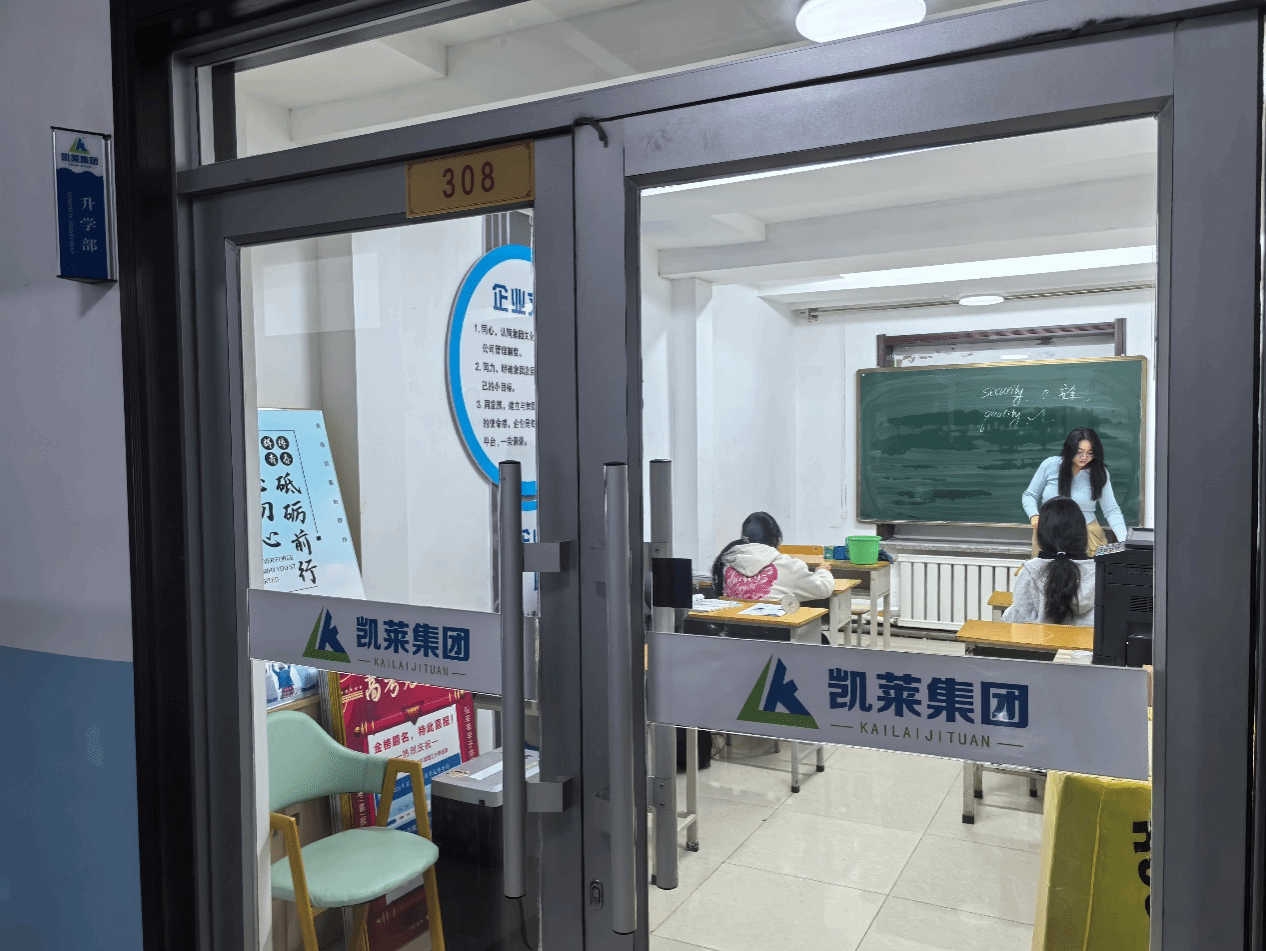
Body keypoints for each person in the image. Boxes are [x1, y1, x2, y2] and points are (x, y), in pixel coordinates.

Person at [1022, 426, 1127, 557]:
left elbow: (1111, 510)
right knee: (1048, 570)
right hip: (1049, 534)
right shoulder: (1050, 465)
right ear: (1069, 449)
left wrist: (1124, 540)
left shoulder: (1099, 473)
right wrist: (1033, 515)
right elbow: (1029, 495)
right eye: (1079, 452)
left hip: (1087, 535)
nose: (1084, 457)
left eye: (1090, 453)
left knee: (1088, 570)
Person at [1003, 497, 1097, 626]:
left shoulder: (1031, 570)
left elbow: (1018, 618)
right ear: (1082, 532)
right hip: (1088, 639)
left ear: (1042, 533)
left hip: (1039, 639)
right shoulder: (1101, 572)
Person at [711, 511, 835, 602]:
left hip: (733, 629)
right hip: (774, 629)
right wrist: (823, 571)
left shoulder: (727, 561)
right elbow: (824, 589)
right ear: (775, 540)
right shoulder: (787, 565)